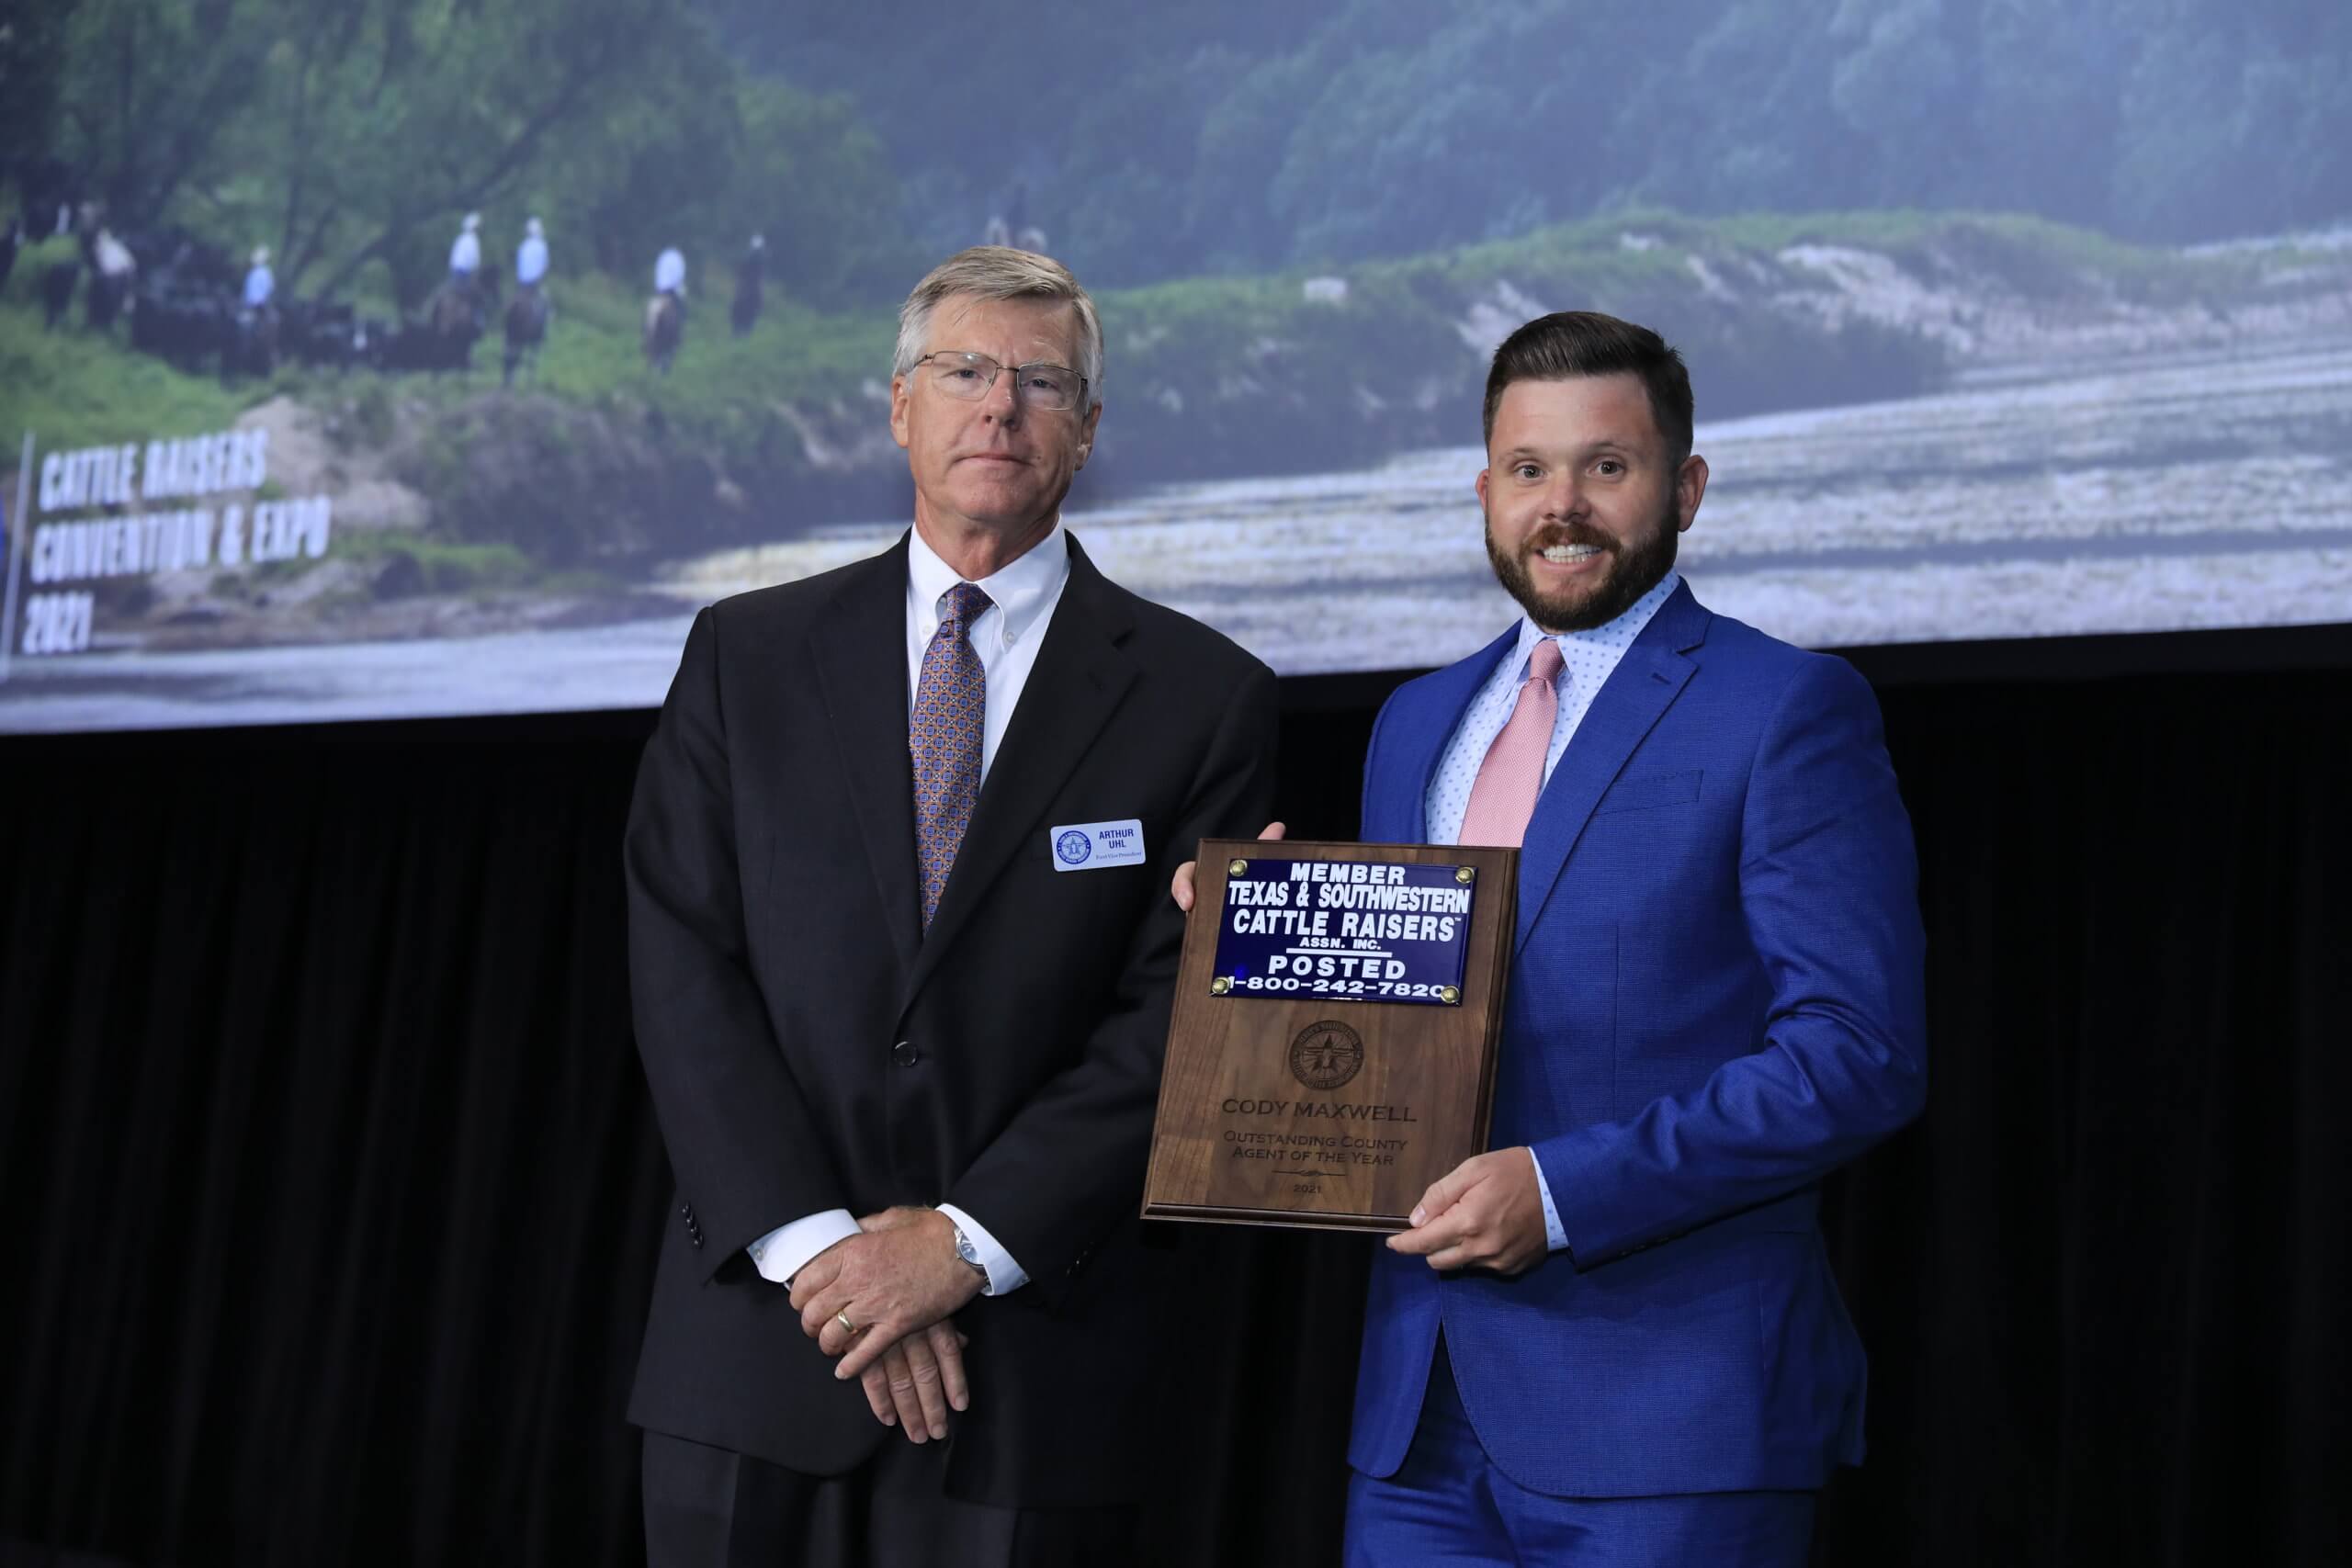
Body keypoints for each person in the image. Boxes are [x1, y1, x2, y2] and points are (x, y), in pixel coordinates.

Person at [1177, 310, 1927, 1565]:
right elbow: (1400, 1033)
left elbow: (1858, 1053)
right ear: (1484, 489)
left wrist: (1566, 1190)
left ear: (1685, 485)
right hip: (1418, 1423)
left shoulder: (1788, 707)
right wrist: (1254, 961)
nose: (1562, 503)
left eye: (1607, 466)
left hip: (1672, 1424)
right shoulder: (1416, 721)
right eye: (1529, 469)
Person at [625, 244, 1279, 1568]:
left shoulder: (1208, 696)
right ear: (898, 404)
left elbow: (1179, 1016)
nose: (1001, 407)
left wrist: (963, 1247)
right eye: (966, 370)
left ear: (1087, 432)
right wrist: (831, 1255)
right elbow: (683, 965)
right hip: (758, 1350)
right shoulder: (744, 654)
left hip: (1032, 1370)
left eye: (1042, 382)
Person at [515, 217, 548, 291]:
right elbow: (544, 266)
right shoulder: (541, 245)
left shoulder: (523, 245)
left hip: (522, 283)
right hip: (535, 283)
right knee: (545, 299)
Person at [448, 212, 481, 282]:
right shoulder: (471, 239)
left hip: (456, 268)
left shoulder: (462, 238)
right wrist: (476, 268)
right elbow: (472, 256)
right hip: (463, 270)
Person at [242, 246, 274, 310]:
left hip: (255, 304)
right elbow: (269, 288)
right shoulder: (256, 272)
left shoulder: (262, 272)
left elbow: (268, 288)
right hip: (254, 303)